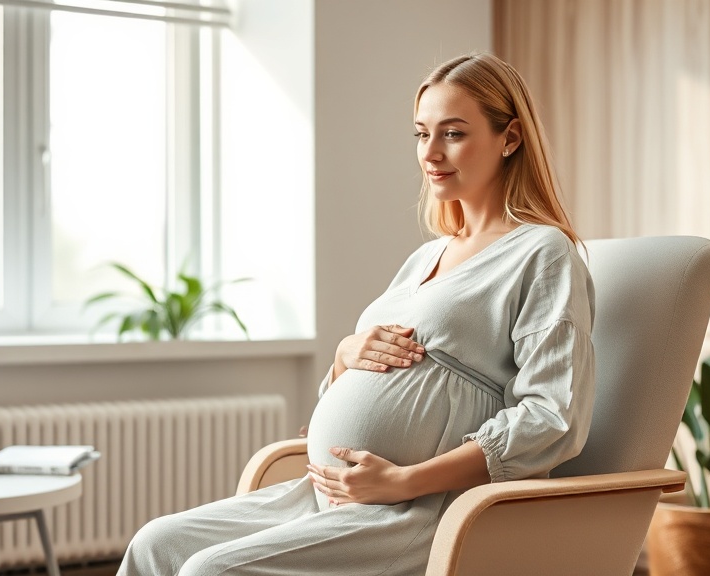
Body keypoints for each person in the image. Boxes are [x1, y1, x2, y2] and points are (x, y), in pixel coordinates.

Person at [117, 52, 596, 576]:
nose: (430, 153)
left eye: (453, 134)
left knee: (209, 570)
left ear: (510, 138)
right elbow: (358, 389)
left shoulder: (542, 252)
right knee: (155, 543)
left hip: (422, 509)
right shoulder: (427, 256)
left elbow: (553, 417)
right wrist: (346, 356)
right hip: (326, 494)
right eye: (421, 134)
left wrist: (405, 481)